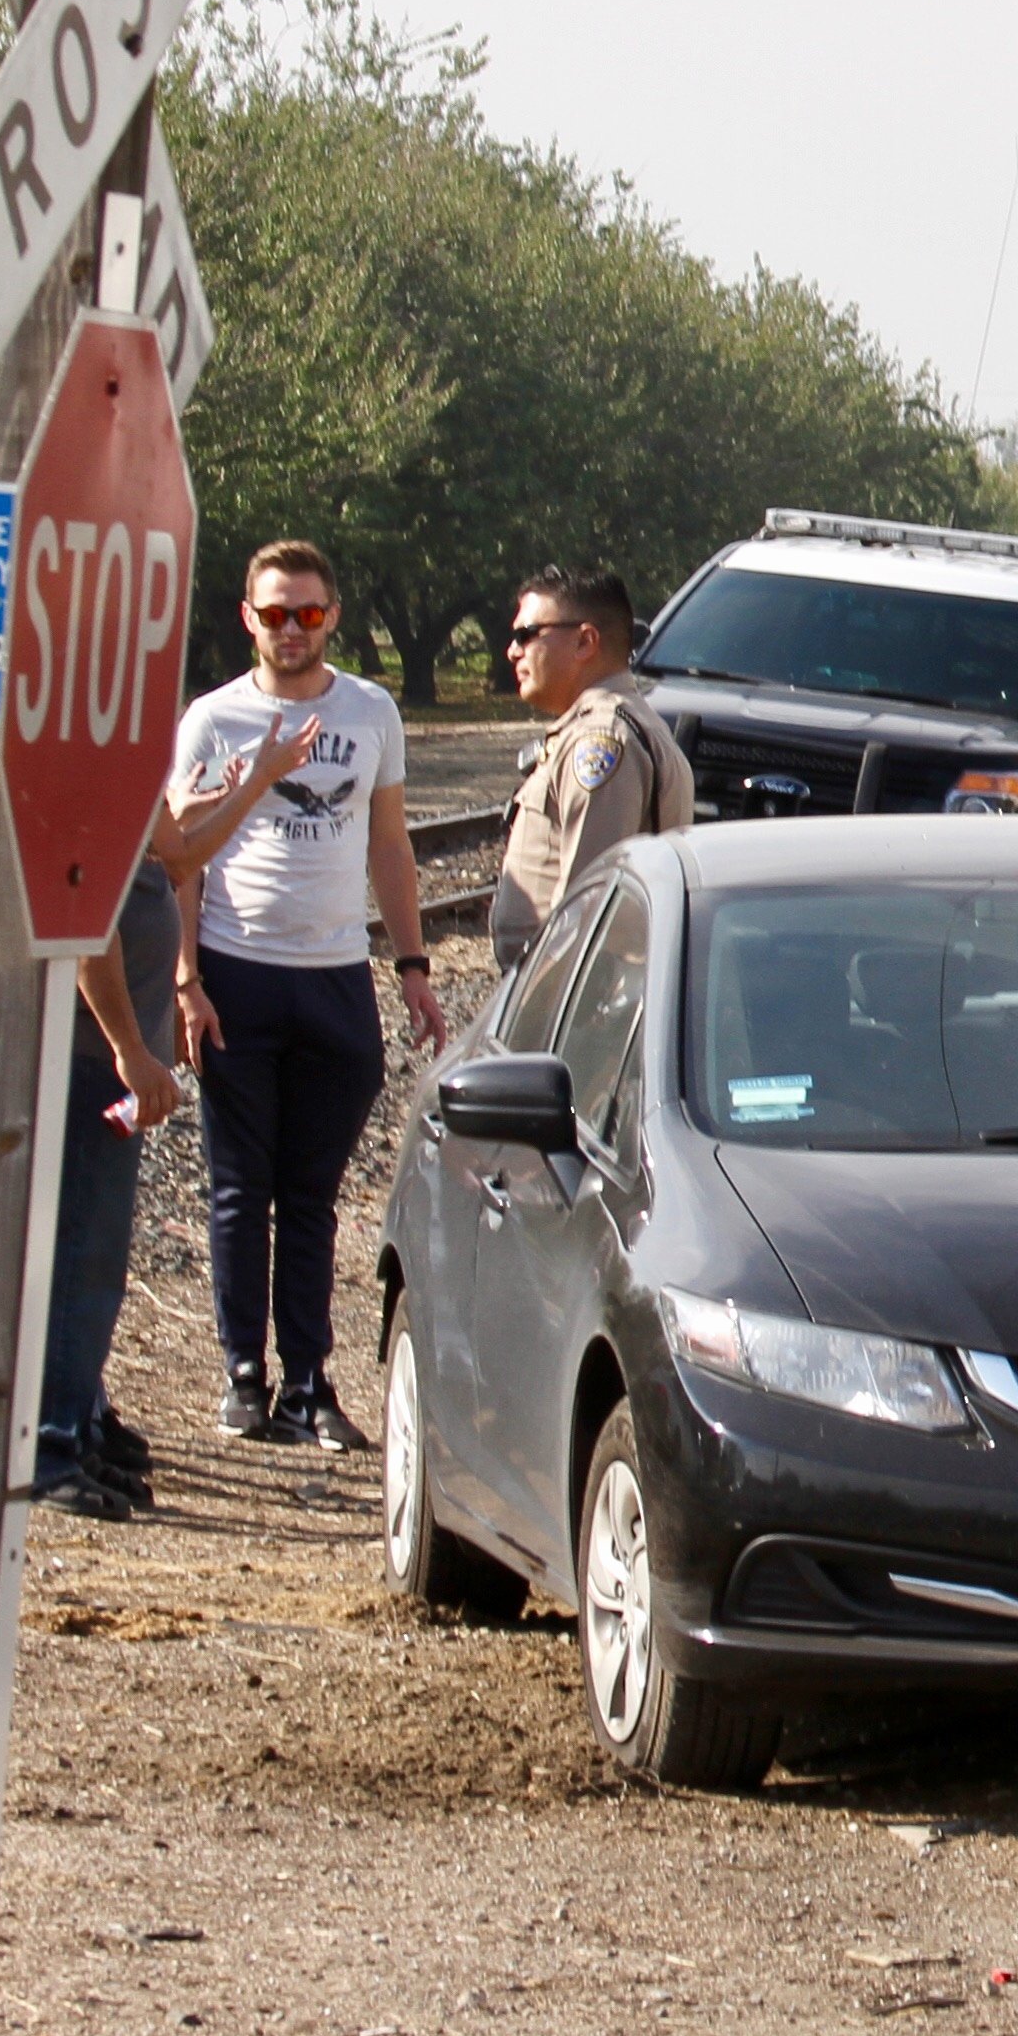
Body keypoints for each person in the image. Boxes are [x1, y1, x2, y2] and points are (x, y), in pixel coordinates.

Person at [166, 542, 446, 1450]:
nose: (292, 630)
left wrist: (412, 966)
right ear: (248, 619)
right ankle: (243, 1374)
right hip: (236, 970)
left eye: (310, 614)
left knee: (314, 1195)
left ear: (332, 617)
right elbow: (178, 862)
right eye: (276, 614)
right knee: (242, 1188)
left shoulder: (369, 713)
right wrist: (187, 980)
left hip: (333, 977)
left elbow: (389, 845)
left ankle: (310, 1379)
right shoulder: (212, 721)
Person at [33, 848, 186, 1519]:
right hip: (93, 1063)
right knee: (79, 1262)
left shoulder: (134, 786)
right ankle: (48, 1443)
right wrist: (129, 1047)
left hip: (110, 1060)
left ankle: (77, 1426)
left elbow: (178, 854)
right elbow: (88, 927)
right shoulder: (98, 797)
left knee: (95, 1262)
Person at [489, 563, 693, 984]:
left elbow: (587, 907)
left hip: (575, 994)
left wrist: (541, 1009)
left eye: (527, 635)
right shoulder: (606, 726)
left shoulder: (601, 740)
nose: (513, 651)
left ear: (585, 641)